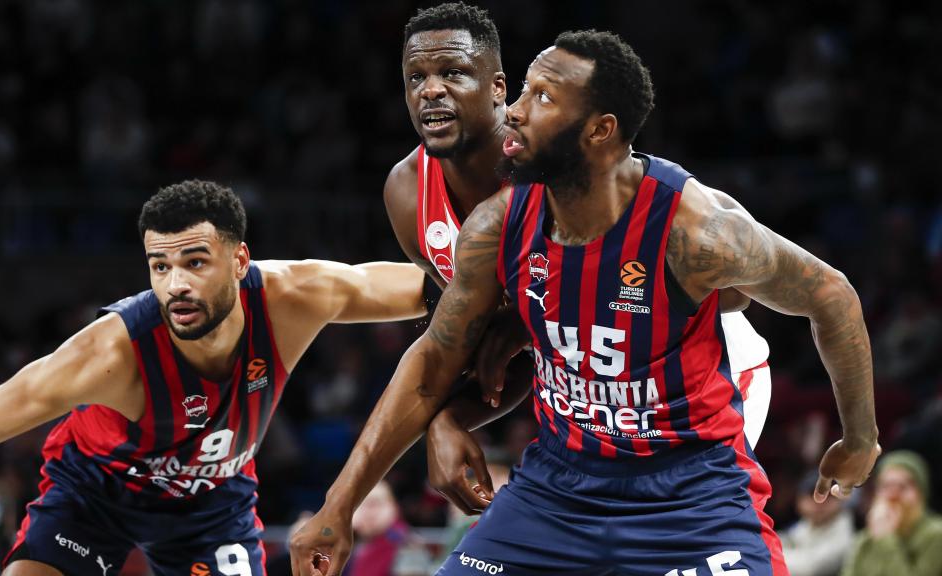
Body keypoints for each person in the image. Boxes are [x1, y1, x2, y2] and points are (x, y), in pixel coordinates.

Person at [291, 30, 880, 576]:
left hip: (689, 482)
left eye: (542, 97)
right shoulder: (493, 226)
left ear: (600, 130)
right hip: (561, 481)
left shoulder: (697, 230)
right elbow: (435, 360)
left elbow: (831, 295)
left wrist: (859, 441)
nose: (514, 111)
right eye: (523, 90)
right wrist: (338, 506)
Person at [0, 180, 428, 576]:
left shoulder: (294, 298)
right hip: (95, 498)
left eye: (195, 262)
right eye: (159, 266)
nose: (176, 285)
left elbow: (443, 285)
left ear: (240, 261)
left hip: (211, 504)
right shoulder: (108, 354)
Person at [388, 2, 777, 519]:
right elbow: (498, 350)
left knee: (660, 534)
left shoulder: (563, 164)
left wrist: (527, 326)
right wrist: (448, 416)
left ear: (497, 90)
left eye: (452, 73)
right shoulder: (411, 195)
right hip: (589, 388)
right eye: (416, 77)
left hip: (697, 378)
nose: (432, 91)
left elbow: (739, 290)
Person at [841, 450, 942, 576]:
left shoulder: (936, 535)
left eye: (903, 486)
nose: (893, 495)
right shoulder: (866, 539)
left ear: (921, 493)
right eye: (886, 486)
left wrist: (885, 539)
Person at [779, 472, 855, 576]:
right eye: (812, 496)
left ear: (840, 500)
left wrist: (773, 555)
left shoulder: (847, 530)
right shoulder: (803, 525)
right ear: (799, 501)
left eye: (828, 496)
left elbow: (809, 568)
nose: (820, 503)